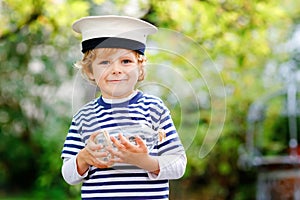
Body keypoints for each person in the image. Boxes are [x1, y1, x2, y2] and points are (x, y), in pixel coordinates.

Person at [61, 15, 187, 200]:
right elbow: (68, 174)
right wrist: (84, 158)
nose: (116, 69)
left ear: (140, 67)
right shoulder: (84, 117)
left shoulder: (154, 109)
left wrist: (146, 162)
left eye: (126, 61)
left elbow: (178, 164)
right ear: (90, 70)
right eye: (105, 62)